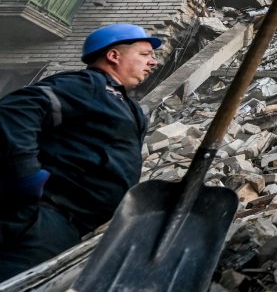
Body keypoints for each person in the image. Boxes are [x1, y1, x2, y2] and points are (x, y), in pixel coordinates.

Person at [0, 24, 159, 280]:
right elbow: (13, 112)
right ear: (114, 56)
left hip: (68, 227)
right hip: (40, 218)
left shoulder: (125, 103)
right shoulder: (87, 85)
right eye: (145, 54)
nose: (153, 62)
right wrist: (27, 176)